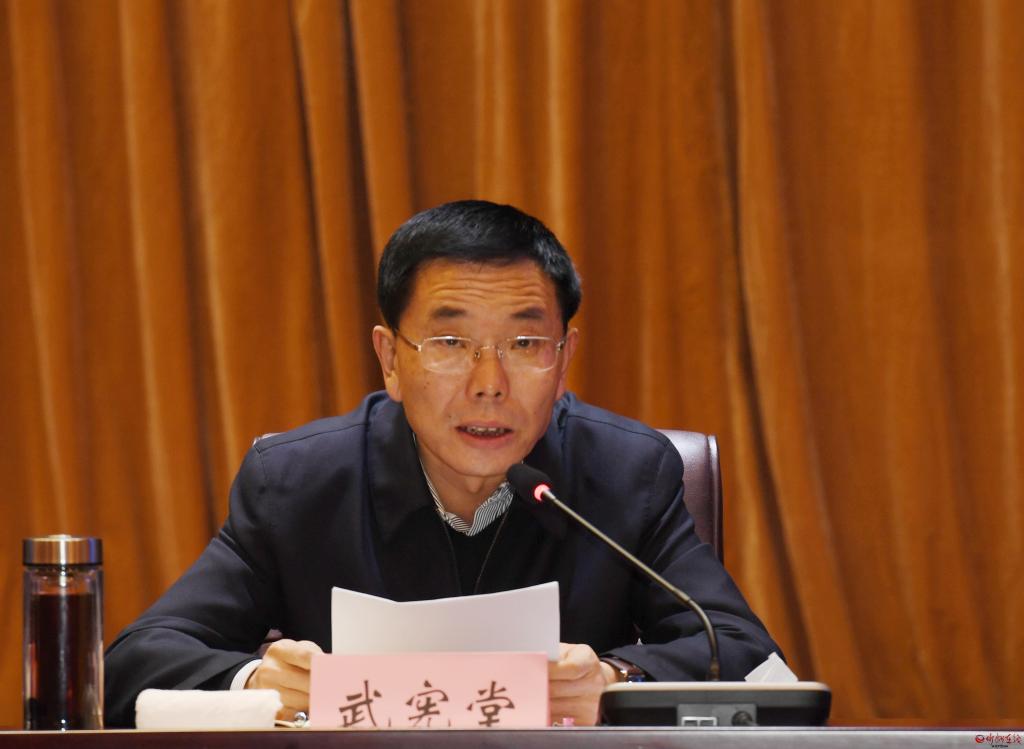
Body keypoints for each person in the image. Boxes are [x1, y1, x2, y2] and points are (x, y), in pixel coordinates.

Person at [104, 200, 781, 727]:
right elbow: (135, 661)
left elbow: (740, 649)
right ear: (390, 359)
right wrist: (258, 683)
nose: (489, 383)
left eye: (525, 343)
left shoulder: (626, 473)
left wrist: (614, 681)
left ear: (564, 360)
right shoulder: (297, 483)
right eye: (451, 342)